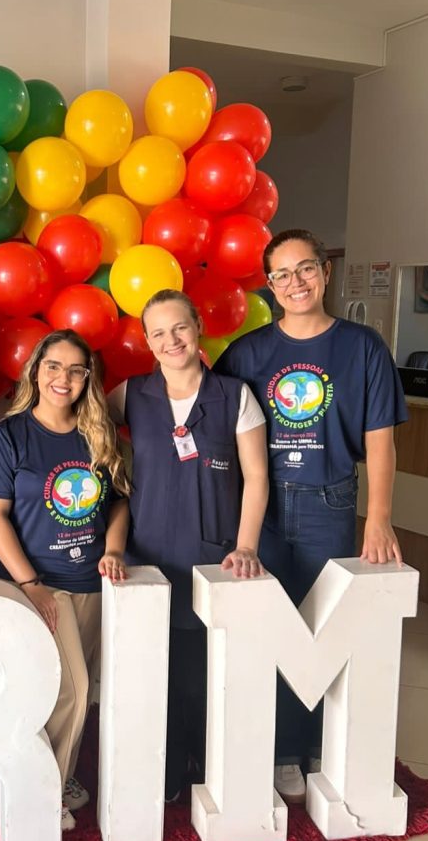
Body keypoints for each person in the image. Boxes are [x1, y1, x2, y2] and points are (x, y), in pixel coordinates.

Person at [216, 228, 408, 804]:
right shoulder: (248, 353)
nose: (294, 282)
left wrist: (379, 516)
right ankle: (279, 750)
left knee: (324, 627)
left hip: (331, 500)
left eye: (305, 269)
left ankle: (316, 741)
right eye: (281, 274)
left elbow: (380, 439)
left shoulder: (363, 346)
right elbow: (208, 415)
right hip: (264, 505)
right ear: (269, 285)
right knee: (270, 627)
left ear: (325, 272)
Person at [108, 289, 269, 802]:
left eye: (179, 327)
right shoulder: (129, 395)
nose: (171, 340)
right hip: (147, 556)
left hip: (213, 556)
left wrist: (246, 546)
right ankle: (170, 761)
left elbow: (256, 476)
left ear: (198, 325)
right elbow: (77, 433)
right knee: (155, 670)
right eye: (158, 333)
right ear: (147, 341)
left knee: (203, 672)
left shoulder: (235, 396)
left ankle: (205, 758)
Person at [0, 329, 129, 831]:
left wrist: (113, 550)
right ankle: (41, 797)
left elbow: (119, 503)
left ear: (88, 378)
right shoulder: (11, 434)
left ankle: (56, 776)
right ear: (36, 371)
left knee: (74, 692)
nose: (63, 378)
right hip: (38, 584)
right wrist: (29, 583)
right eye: (53, 366)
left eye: (75, 370)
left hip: (91, 582)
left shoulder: (97, 432)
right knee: (70, 690)